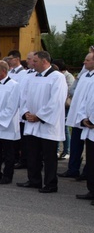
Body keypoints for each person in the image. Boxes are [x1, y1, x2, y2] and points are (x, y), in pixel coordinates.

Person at [17, 51, 67, 193]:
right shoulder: (32, 77)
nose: (31, 64)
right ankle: (34, 180)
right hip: (32, 123)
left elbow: (56, 101)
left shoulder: (57, 77)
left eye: (35, 61)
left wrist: (39, 116)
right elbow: (24, 97)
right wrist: (26, 113)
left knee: (49, 157)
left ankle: (50, 184)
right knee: (32, 154)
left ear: (45, 61)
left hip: (47, 124)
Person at [61, 52, 94, 180]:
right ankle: (73, 168)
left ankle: (87, 172)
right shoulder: (85, 76)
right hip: (79, 117)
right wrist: (81, 116)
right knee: (76, 145)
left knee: (90, 148)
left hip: (89, 118)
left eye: (87, 60)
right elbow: (79, 97)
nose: (84, 62)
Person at [53, 59, 74, 159]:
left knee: (65, 128)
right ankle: (57, 150)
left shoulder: (68, 76)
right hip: (58, 105)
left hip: (65, 105)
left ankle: (67, 150)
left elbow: (71, 89)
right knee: (57, 127)